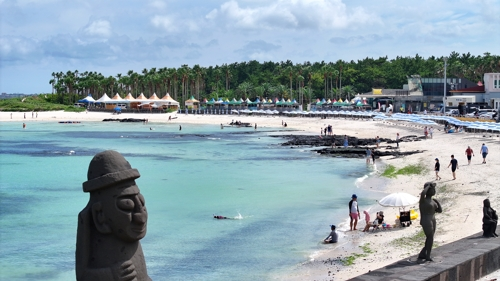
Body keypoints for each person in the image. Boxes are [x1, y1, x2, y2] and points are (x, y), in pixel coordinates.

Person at [76, 150, 151, 281]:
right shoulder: (87, 219)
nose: (141, 217)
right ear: (100, 216)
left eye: (142, 202)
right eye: (127, 205)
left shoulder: (130, 233)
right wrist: (111, 274)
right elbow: (82, 276)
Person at [418, 182, 442, 261]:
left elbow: (439, 210)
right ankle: (427, 256)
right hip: (426, 220)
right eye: (432, 189)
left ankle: (423, 253)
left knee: (430, 238)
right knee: (430, 237)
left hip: (432, 219)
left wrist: (437, 202)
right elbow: (422, 194)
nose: (434, 191)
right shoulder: (423, 200)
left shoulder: (432, 201)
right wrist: (428, 186)